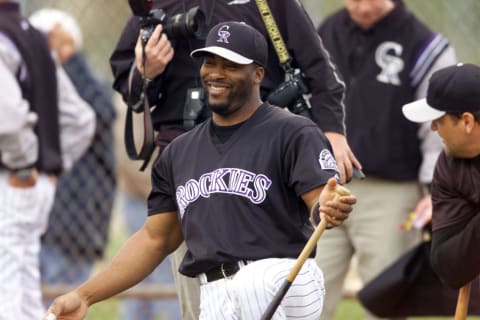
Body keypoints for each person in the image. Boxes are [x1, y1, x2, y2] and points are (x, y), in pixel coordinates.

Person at [45, 21, 357, 320]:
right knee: (229, 292)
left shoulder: (293, 132)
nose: (216, 74)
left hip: (285, 279)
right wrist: (84, 295)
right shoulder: (179, 152)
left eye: (231, 65)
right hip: (216, 293)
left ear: (258, 74)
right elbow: (155, 238)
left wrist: (327, 206)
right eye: (210, 63)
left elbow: (321, 204)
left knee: (253, 284)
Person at [314, 0, 457, 319]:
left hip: (392, 191)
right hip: (326, 185)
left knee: (385, 300)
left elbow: (437, 128)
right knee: (307, 292)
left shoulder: (424, 44)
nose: (363, 6)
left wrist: (437, 191)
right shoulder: (325, 32)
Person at [0, 1, 95, 319]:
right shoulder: (33, 35)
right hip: (33, 181)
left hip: (14, 177)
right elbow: (81, 119)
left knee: (8, 285)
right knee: (22, 276)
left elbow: (8, 118)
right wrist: (51, 166)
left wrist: (24, 165)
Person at [27, 8, 117, 308]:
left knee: (58, 304)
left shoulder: (76, 77)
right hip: (51, 219)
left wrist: (62, 57)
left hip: (71, 222)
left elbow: (100, 113)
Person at [402, 63, 480, 290]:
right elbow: (449, 268)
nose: (433, 127)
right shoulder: (450, 166)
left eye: (439, 119)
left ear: (467, 121)